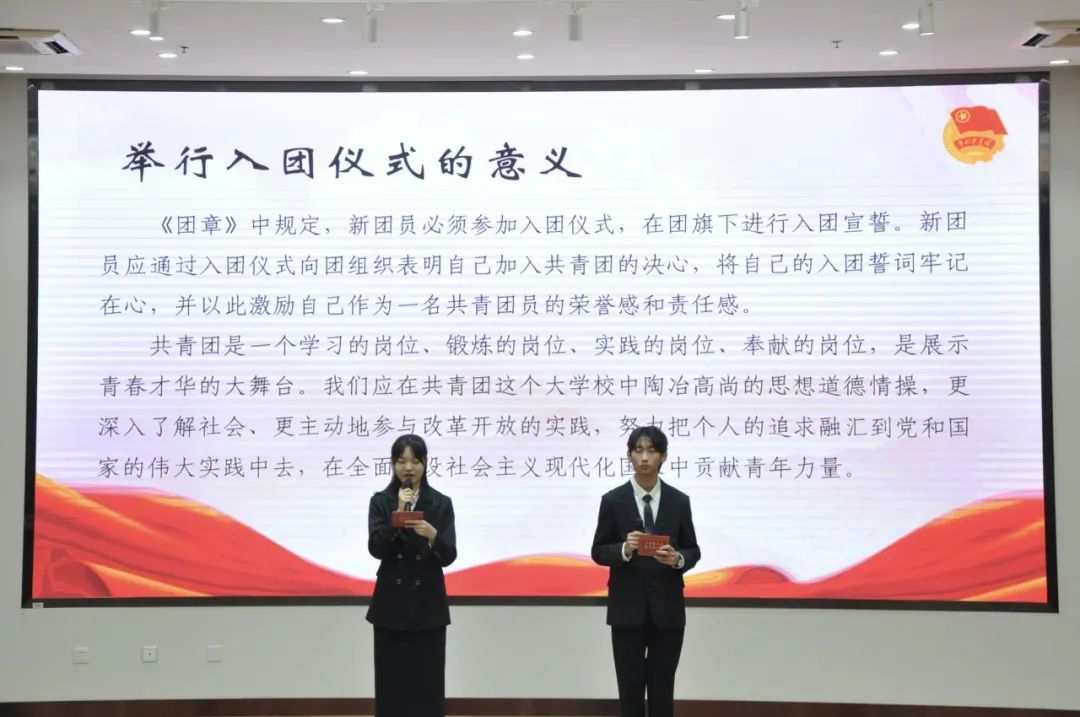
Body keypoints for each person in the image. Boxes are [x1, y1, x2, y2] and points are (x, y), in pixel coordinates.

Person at [591, 426, 701, 717]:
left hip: (668, 610)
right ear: (628, 455)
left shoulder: (679, 501)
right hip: (626, 609)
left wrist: (677, 558)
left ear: (663, 456)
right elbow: (598, 551)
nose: (644, 458)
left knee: (663, 690)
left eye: (651, 451)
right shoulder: (612, 501)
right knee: (629, 692)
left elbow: (693, 550)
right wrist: (624, 549)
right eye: (638, 450)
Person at [366, 434, 457, 717]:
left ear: (425, 463)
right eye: (402, 461)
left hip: (428, 607)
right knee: (391, 684)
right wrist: (397, 514)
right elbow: (376, 549)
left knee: (427, 685)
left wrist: (433, 535)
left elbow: (449, 556)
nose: (408, 468)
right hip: (391, 606)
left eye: (415, 461)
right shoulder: (381, 502)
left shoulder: (440, 503)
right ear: (393, 464)